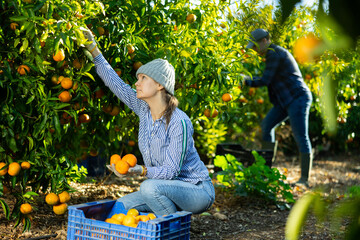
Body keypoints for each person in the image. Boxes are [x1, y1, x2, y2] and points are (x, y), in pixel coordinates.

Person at [82, 29, 215, 215]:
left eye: (143, 78)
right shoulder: (143, 109)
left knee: (148, 188)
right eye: (138, 78)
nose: (137, 83)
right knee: (119, 208)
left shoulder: (179, 122)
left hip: (196, 190)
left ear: (160, 85)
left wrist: (139, 171)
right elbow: (116, 84)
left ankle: (171, 232)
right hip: (164, 189)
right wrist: (93, 49)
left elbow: (170, 172)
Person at [242, 29, 313, 186]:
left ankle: (304, 180)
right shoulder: (270, 54)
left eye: (255, 46)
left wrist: (246, 81)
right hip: (285, 102)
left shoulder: (274, 52)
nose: (254, 50)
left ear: (265, 41)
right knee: (267, 126)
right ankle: (266, 172)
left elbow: (266, 79)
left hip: (297, 98)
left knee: (300, 136)